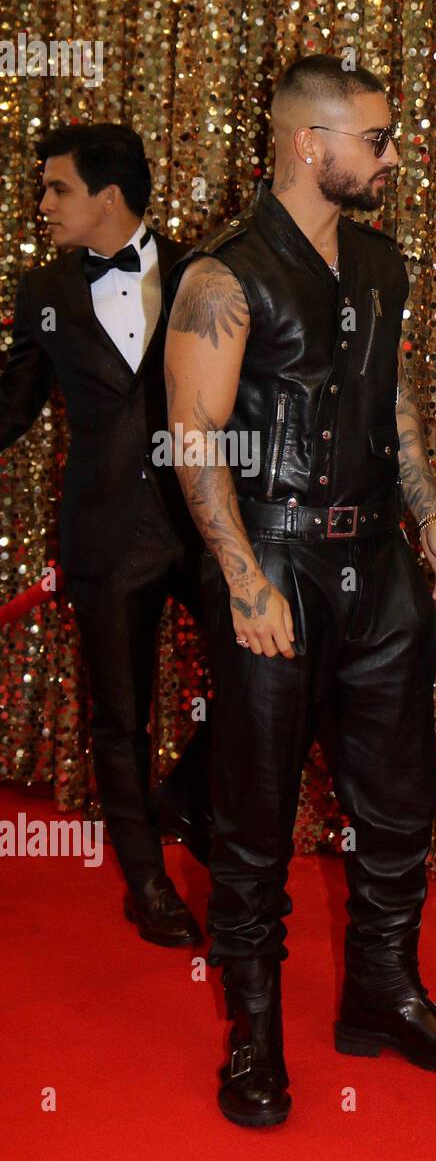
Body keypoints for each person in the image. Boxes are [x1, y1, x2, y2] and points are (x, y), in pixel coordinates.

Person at [163, 54, 436, 1129]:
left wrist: (432, 513)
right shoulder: (223, 275)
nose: (393, 157)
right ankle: (252, 1034)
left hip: (379, 569)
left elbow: (388, 404)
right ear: (312, 145)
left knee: (399, 805)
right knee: (253, 822)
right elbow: (193, 437)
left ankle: (382, 993)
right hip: (274, 561)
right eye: (378, 140)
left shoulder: (380, 265)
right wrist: (245, 580)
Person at [0, 123, 211, 948]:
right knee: (120, 718)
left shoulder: (204, 269)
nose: (42, 203)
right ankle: (148, 881)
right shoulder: (42, 288)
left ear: (108, 197)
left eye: (56, 189)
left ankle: (190, 797)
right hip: (103, 534)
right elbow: (15, 403)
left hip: (203, 525)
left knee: (274, 673)